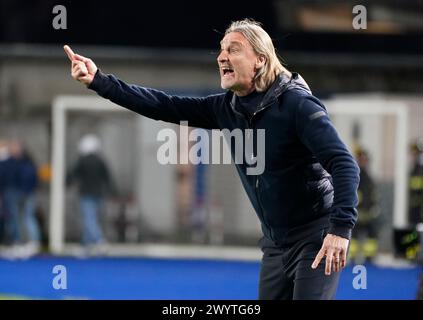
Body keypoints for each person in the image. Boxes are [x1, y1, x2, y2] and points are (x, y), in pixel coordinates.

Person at [63, 19, 360, 300]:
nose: (221, 57)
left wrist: (340, 230)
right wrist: (99, 81)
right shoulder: (225, 108)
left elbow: (344, 164)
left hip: (316, 237)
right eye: (220, 49)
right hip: (275, 244)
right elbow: (163, 105)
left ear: (260, 59)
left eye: (233, 49)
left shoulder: (297, 105)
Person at [67, 134, 114, 250]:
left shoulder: (82, 160)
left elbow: (72, 175)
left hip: (86, 194)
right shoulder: (100, 161)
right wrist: (111, 191)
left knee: (89, 219)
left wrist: (66, 182)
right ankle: (85, 245)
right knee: (92, 218)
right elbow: (108, 178)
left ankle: (100, 240)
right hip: (99, 194)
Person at [349, 148, 380, 263]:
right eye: (361, 159)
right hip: (357, 213)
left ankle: (369, 258)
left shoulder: (367, 176)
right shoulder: (356, 175)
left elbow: (372, 195)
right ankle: (352, 258)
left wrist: (374, 207)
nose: (363, 162)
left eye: (364, 159)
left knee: (371, 236)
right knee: (355, 236)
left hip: (368, 214)